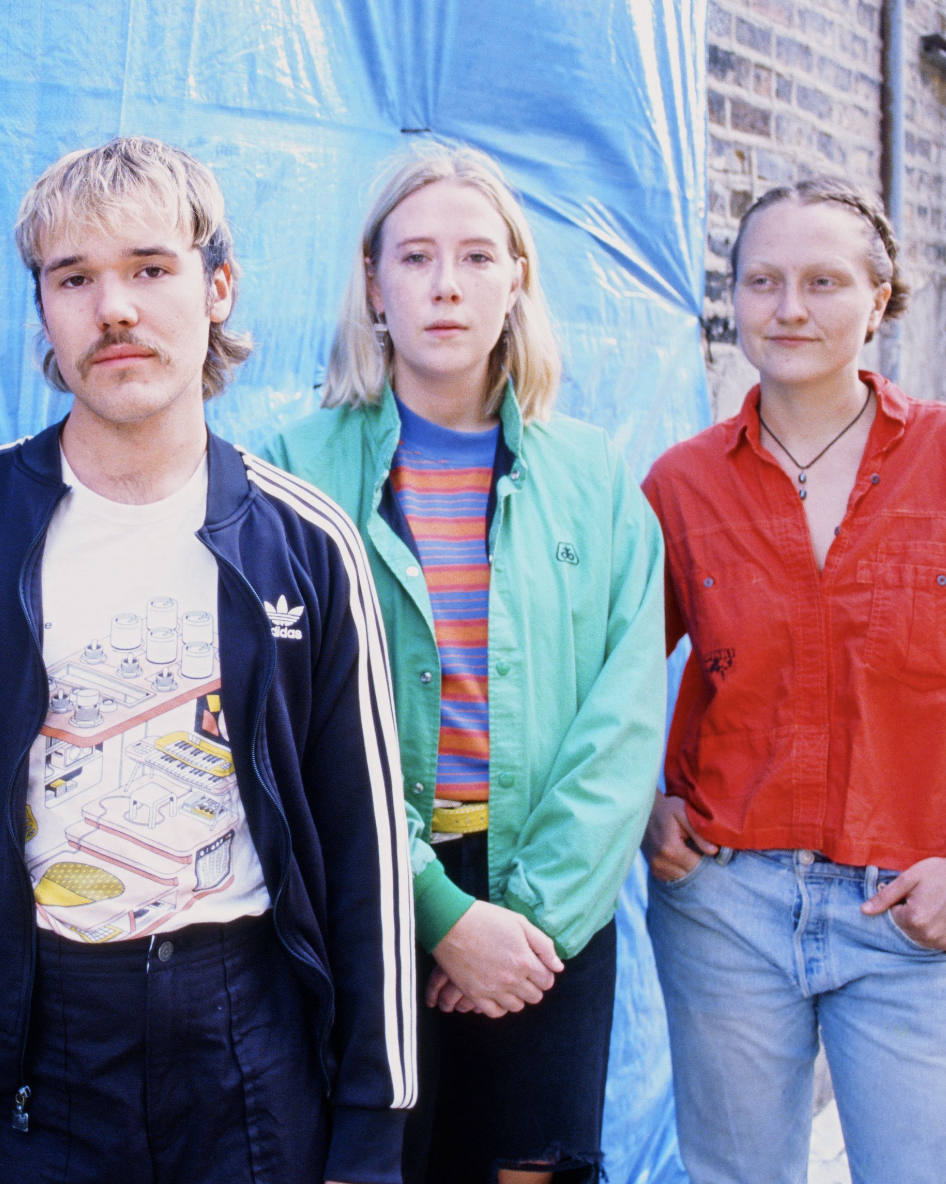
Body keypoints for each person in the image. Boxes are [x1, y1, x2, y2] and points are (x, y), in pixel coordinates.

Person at [0, 136, 417, 1184]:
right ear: (43, 310)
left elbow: (364, 849)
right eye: (74, 278)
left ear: (218, 287)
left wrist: (368, 1140)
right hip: (24, 1053)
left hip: (249, 1047)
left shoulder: (306, 544)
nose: (114, 309)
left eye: (150, 268)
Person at [640, 177, 946, 1184]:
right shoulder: (682, 484)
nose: (789, 308)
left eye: (823, 281)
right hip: (723, 908)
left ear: (880, 300)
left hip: (911, 911)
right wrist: (644, 802)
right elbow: (611, 675)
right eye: (762, 282)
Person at [263, 143, 666, 1184]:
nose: (447, 284)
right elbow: (293, 723)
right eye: (416, 257)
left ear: (517, 280)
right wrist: (439, 913)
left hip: (548, 896)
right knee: (369, 1165)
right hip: (365, 883)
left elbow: (624, 719)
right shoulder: (293, 471)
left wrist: (524, 921)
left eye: (478, 256)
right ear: (373, 285)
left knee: (525, 1167)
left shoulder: (594, 478)